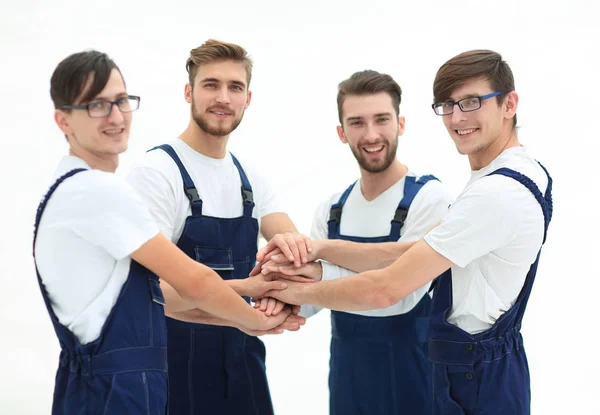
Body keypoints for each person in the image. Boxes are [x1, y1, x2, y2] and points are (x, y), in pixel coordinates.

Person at [257, 49, 553, 415]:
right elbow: (402, 255)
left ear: (510, 104)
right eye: (448, 104)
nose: (457, 117)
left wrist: (276, 287)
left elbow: (389, 289)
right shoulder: (501, 180)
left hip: (460, 369)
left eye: (472, 102)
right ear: (341, 131)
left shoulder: (489, 193)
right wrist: (313, 255)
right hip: (416, 371)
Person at [34, 50, 294, 415]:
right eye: (96, 105)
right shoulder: (101, 190)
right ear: (63, 120)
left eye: (121, 101)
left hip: (126, 381)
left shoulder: (72, 187)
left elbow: (155, 296)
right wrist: (255, 320)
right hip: (121, 386)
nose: (115, 116)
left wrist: (253, 292)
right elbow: (192, 284)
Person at [126, 39, 309, 415]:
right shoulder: (156, 174)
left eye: (234, 87)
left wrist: (282, 282)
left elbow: (293, 246)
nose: (223, 97)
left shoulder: (250, 177)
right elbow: (149, 293)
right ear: (188, 91)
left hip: (245, 367)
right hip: (173, 374)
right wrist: (250, 301)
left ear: (248, 98)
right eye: (211, 84)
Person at [259, 69, 452, 414]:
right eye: (357, 123)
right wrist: (275, 296)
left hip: (416, 384)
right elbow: (310, 301)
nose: (371, 134)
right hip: (349, 386)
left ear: (400, 124)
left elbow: (397, 297)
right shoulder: (332, 209)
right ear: (342, 132)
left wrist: (315, 273)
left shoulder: (429, 198)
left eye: (381, 119)